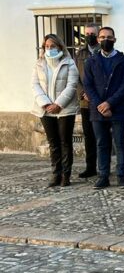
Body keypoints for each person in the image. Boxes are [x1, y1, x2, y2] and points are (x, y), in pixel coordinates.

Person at [83, 27, 124, 189]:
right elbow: (88, 85)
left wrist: (109, 103)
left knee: (119, 143)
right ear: (98, 39)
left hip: (118, 108)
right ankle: (103, 175)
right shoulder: (90, 61)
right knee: (101, 143)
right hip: (97, 109)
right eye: (103, 37)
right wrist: (100, 105)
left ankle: (120, 175)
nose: (106, 40)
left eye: (109, 37)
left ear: (115, 39)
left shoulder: (123, 60)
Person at [32, 34, 79, 187]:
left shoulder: (69, 63)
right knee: (53, 143)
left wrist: (58, 104)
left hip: (65, 109)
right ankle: (55, 173)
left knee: (65, 141)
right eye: (47, 46)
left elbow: (72, 85)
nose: (50, 49)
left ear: (60, 46)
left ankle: (66, 174)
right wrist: (45, 103)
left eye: (53, 46)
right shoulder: (39, 63)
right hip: (45, 109)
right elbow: (35, 85)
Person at [74, 23, 100, 179]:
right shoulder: (80, 53)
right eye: (87, 33)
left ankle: (104, 166)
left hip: (101, 102)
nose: (89, 36)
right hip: (85, 102)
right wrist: (83, 93)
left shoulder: (103, 51)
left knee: (102, 136)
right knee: (89, 135)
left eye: (92, 33)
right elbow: (75, 77)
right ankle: (90, 167)